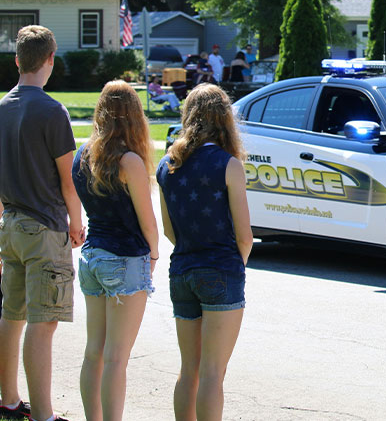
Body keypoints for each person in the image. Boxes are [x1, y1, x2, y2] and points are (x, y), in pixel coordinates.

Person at [0, 25, 84, 421]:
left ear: (17, 60)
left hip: (11, 223)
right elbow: (68, 182)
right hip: (45, 228)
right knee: (44, 321)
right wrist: (77, 222)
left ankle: (10, 400)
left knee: (11, 315)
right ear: (50, 60)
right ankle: (45, 415)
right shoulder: (53, 111)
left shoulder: (1, 108)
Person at [156, 84, 253, 421]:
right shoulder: (229, 165)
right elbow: (245, 237)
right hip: (221, 269)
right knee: (213, 373)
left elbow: (169, 230)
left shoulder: (167, 164)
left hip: (182, 269)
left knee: (189, 371)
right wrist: (234, 270)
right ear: (225, 120)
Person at [72, 80, 159, 421]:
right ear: (134, 116)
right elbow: (148, 223)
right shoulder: (130, 161)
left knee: (94, 352)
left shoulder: (83, 154)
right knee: (117, 358)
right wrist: (153, 255)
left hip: (92, 258)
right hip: (124, 260)